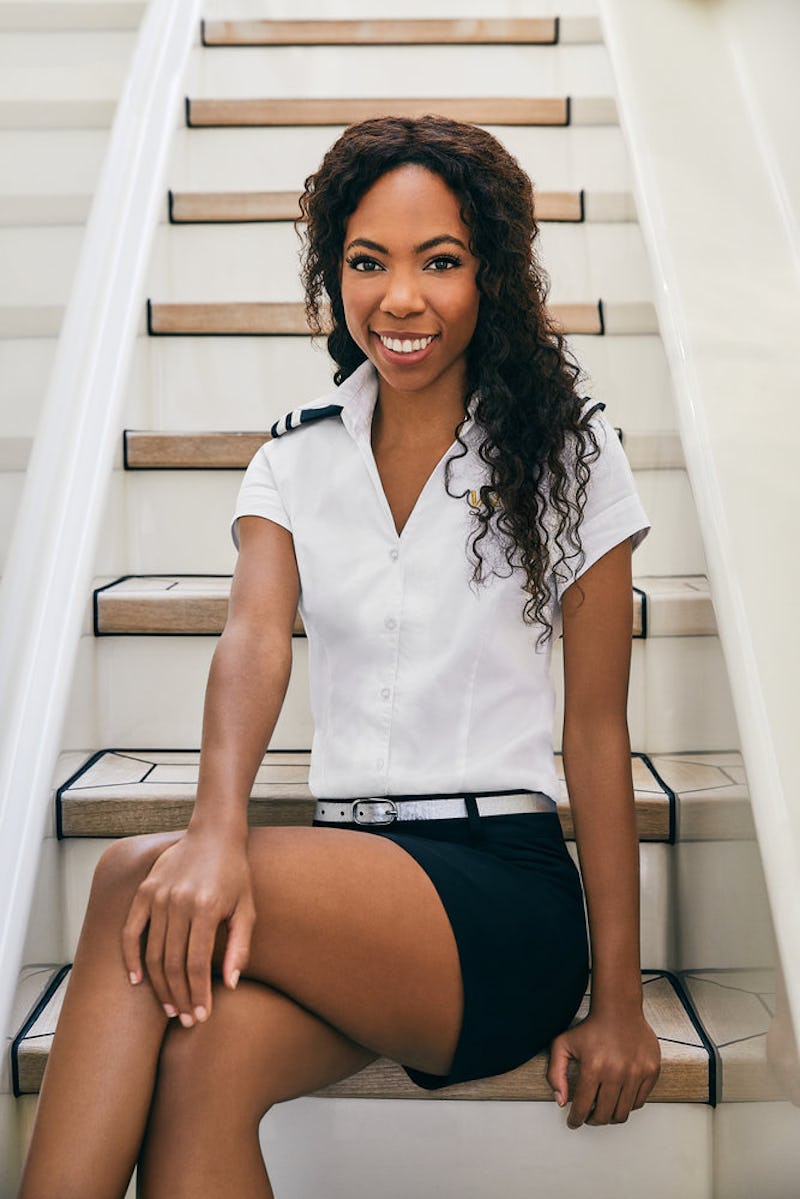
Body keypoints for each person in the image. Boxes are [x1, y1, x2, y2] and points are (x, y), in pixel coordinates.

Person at [19, 115, 661, 1199]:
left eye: (439, 262)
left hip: (498, 898)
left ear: (491, 275)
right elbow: (253, 638)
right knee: (201, 1064)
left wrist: (621, 1001)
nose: (399, 299)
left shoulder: (570, 448)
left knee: (133, 873)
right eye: (367, 262)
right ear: (334, 274)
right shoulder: (294, 455)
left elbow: (595, 730)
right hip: (349, 894)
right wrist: (221, 828)